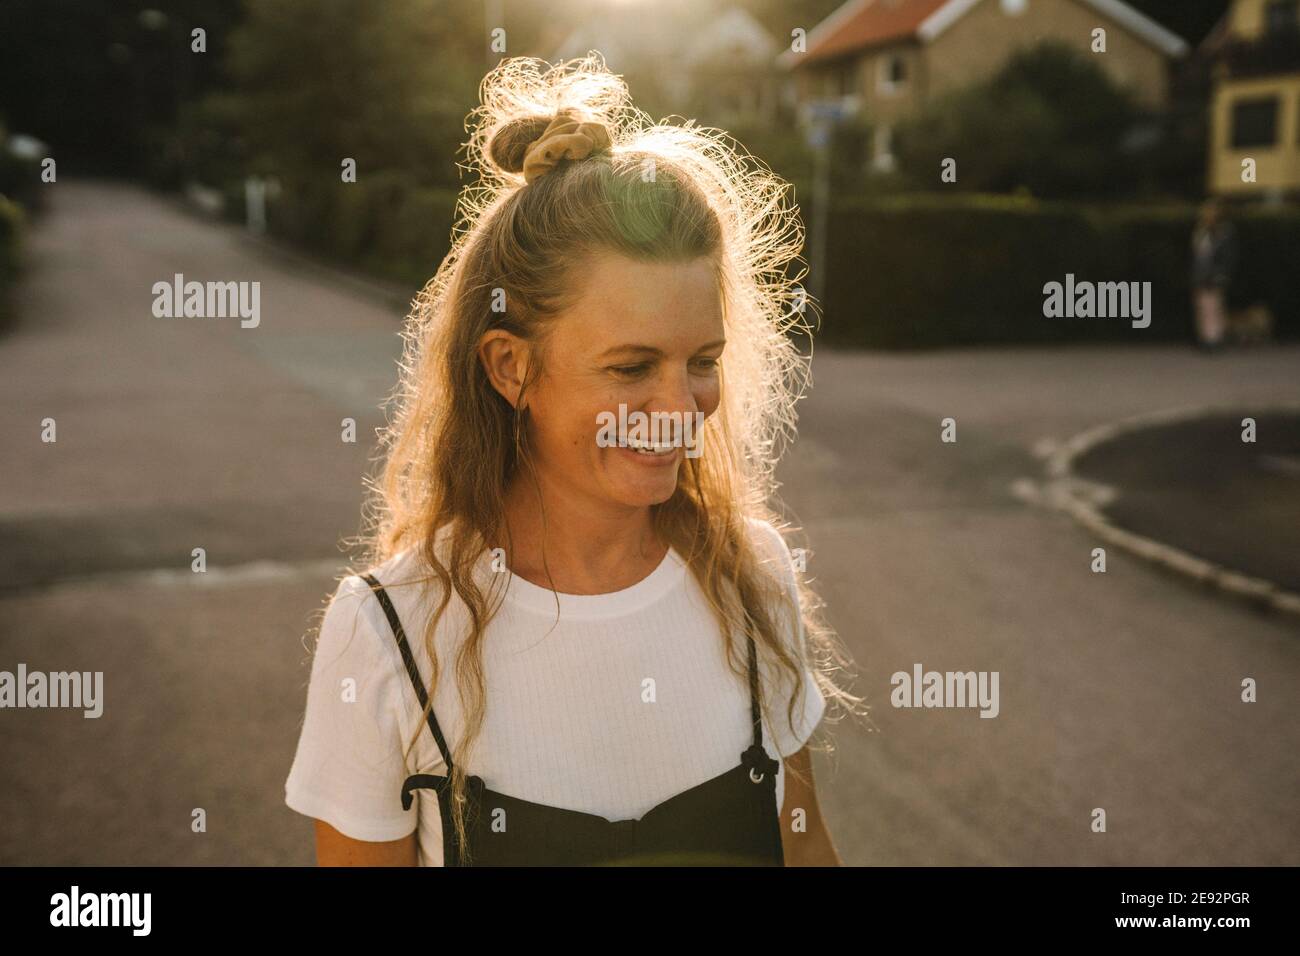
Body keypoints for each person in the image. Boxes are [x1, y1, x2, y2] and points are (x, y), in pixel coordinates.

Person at [284, 54, 864, 867]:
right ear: (509, 367)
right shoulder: (389, 631)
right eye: (631, 368)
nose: (679, 409)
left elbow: (805, 854)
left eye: (702, 360)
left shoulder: (753, 575)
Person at [1190, 199, 1238, 351]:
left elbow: (1228, 256)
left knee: (1215, 308)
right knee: (1203, 308)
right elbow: (1197, 256)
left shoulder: (1224, 232)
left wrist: (1221, 274)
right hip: (1201, 276)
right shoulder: (1201, 232)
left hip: (1215, 276)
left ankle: (1215, 339)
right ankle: (1206, 338)